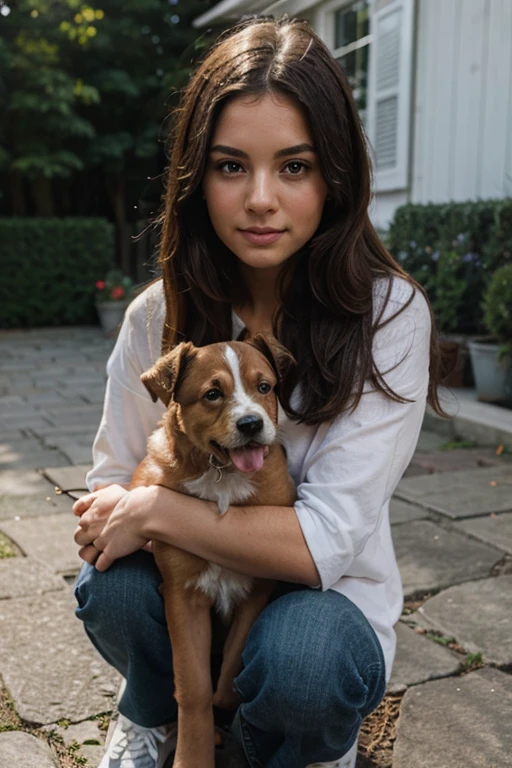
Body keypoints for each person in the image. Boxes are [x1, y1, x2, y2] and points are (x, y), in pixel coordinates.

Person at [73, 14, 444, 768]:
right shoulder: (158, 316)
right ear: (196, 175)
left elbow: (322, 545)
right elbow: (109, 487)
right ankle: (158, 712)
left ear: (335, 174)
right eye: (232, 166)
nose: (261, 200)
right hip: (194, 589)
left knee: (305, 661)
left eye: (296, 166)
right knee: (106, 587)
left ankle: (301, 741)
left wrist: (150, 506)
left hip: (322, 605)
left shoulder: (390, 316)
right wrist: (123, 508)